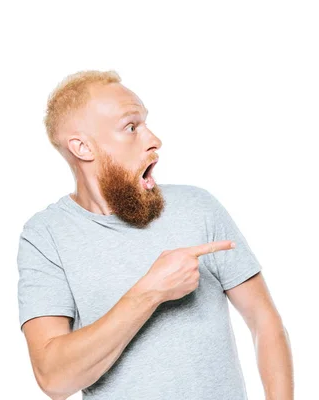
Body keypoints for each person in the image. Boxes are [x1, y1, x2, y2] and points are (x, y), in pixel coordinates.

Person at [16, 70, 294, 400]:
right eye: (131, 127)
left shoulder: (198, 207)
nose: (154, 140)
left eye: (146, 123)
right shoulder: (45, 236)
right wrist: (150, 292)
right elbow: (54, 380)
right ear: (82, 147)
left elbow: (265, 323)